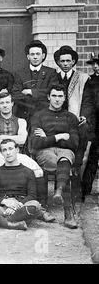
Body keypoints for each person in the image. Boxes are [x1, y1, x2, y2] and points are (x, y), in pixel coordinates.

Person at [0, 92, 52, 222]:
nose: (5, 105)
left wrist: (1, 138)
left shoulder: (21, 121)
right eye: (2, 103)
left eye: (7, 102)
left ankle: (42, 209)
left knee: (39, 172)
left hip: (18, 154)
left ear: (12, 103)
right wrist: (14, 139)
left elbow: (22, 140)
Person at [30, 84, 79, 229]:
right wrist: (58, 136)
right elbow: (36, 142)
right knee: (61, 165)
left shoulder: (70, 117)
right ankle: (61, 208)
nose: (57, 99)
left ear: (64, 99)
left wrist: (48, 137)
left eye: (60, 96)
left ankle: (65, 206)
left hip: (65, 151)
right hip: (45, 151)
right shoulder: (39, 116)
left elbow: (74, 143)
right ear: (48, 97)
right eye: (54, 96)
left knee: (64, 159)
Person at [0, 139, 41, 231]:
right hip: (1, 208)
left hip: (20, 207)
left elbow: (32, 195)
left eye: (10, 149)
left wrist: (17, 205)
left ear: (17, 150)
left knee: (35, 205)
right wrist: (5, 202)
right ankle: (10, 224)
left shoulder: (28, 172)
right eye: (4, 150)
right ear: (1, 153)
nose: (8, 153)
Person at [54, 45, 95, 199]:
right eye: (62, 61)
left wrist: (84, 115)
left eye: (68, 61)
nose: (65, 64)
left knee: (79, 146)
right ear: (58, 62)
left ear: (73, 62)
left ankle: (76, 186)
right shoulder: (54, 77)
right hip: (58, 119)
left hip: (76, 119)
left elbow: (88, 100)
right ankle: (60, 187)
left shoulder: (83, 78)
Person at [12, 40, 59, 121]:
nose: (35, 57)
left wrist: (31, 92)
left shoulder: (51, 73)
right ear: (28, 56)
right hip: (23, 115)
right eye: (32, 54)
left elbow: (52, 92)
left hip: (44, 115)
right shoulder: (19, 73)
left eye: (38, 54)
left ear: (43, 56)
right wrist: (40, 95)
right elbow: (15, 94)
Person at [81, 52, 99, 200]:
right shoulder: (91, 81)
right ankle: (85, 190)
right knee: (92, 157)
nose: (96, 67)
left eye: (98, 64)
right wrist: (85, 117)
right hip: (96, 125)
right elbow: (87, 102)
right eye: (94, 64)